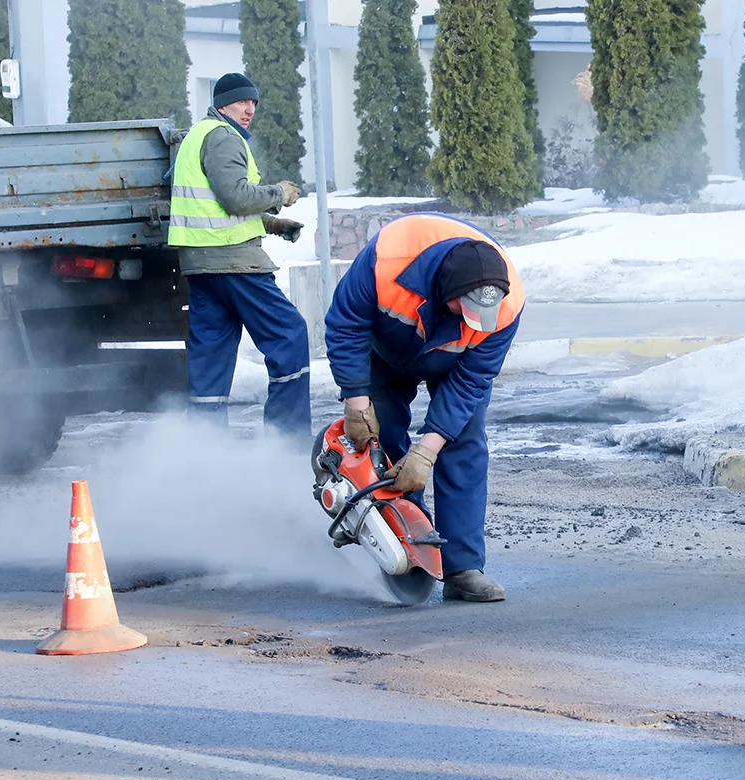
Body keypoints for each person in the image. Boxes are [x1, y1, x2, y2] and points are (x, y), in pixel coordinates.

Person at [324, 213, 525, 602]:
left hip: (455, 363)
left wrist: (427, 450)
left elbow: (473, 380)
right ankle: (406, 546)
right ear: (446, 290)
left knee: (462, 441)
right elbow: (346, 324)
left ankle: (462, 568)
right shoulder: (388, 259)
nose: (475, 321)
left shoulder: (507, 303)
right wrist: (357, 401)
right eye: (465, 308)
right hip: (384, 350)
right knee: (381, 441)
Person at [167, 73, 311, 439]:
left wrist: (272, 225)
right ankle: (286, 438)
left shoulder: (197, 135)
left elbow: (214, 206)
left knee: (211, 359)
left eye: (253, 103)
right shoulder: (222, 136)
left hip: (202, 266)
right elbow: (235, 197)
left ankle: (206, 445)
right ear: (221, 104)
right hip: (233, 262)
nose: (249, 110)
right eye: (241, 102)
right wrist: (279, 193)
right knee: (289, 334)